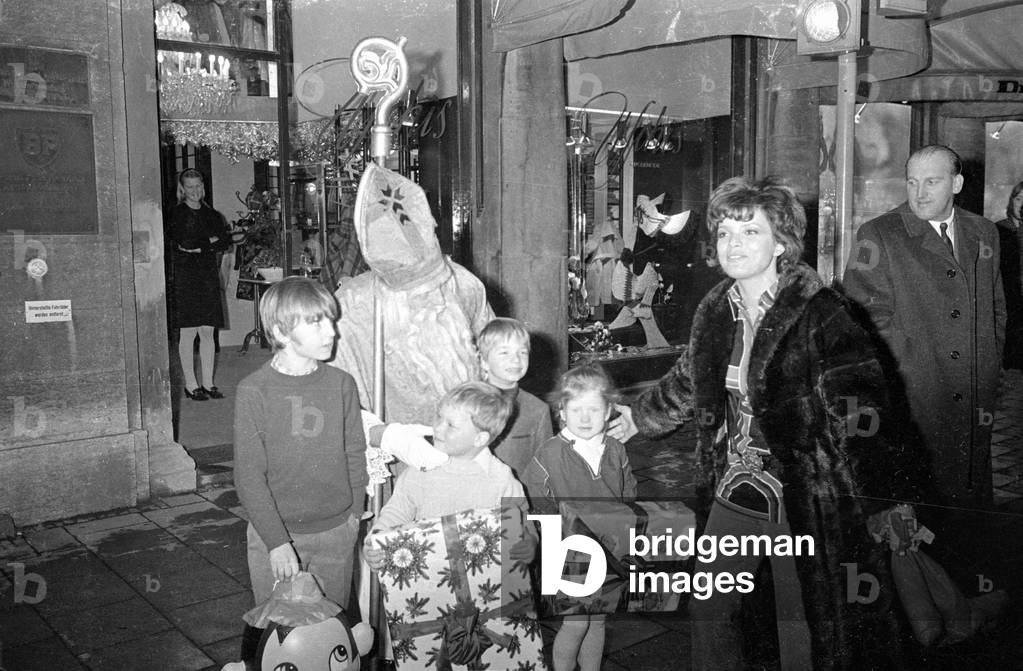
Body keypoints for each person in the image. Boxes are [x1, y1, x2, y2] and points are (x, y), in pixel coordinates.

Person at [609, 176, 921, 670]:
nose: (733, 244)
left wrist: (884, 501)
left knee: (804, 623)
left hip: (806, 494)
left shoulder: (823, 313)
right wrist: (640, 417)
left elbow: (869, 415)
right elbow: (690, 375)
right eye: (726, 232)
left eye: (750, 232)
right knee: (712, 609)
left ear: (781, 243)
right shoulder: (717, 309)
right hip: (737, 486)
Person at [843, 145, 1006, 516]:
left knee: (968, 509)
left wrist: (988, 362)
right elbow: (864, 318)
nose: (920, 193)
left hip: (971, 392)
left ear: (957, 183)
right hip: (915, 394)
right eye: (913, 182)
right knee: (919, 512)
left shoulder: (984, 233)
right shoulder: (879, 233)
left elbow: (996, 308)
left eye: (932, 181)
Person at [233, 277, 368, 670]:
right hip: (275, 537)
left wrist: (354, 515)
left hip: (334, 532)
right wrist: (276, 542)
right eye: (316, 323)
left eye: (330, 320)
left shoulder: (341, 384)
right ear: (280, 331)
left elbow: (353, 451)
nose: (332, 331)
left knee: (332, 640)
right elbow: (248, 475)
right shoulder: (254, 390)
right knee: (280, 641)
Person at [523, 363, 637, 671]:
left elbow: (628, 493)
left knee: (597, 621)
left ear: (610, 410)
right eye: (576, 410)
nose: (585, 418)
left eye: (594, 410)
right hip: (572, 550)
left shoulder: (615, 448)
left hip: (609, 549)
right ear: (562, 410)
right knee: (575, 623)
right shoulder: (550, 454)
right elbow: (535, 502)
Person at [363, 380, 535, 558]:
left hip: (483, 580)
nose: (438, 428)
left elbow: (521, 523)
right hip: (427, 575)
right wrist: (377, 538)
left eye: (450, 425)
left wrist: (528, 543)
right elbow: (397, 510)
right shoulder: (422, 468)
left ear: (479, 439)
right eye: (439, 416)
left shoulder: (501, 479)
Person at [167, 168, 230, 401]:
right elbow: (185, 243)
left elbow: (225, 241)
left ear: (203, 187)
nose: (194, 191)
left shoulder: (212, 215)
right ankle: (190, 385)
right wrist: (209, 242)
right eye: (189, 187)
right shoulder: (177, 214)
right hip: (186, 276)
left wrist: (202, 245)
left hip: (207, 276)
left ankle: (208, 383)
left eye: (198, 186)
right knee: (188, 331)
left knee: (207, 331)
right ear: (182, 189)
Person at [478, 317, 553, 478]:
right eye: (505, 352)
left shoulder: (538, 410)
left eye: (522, 352)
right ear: (484, 361)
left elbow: (545, 469)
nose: (516, 359)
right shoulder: (466, 402)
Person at [995, 180, 1023, 370]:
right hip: (1007, 302)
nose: (1022, 205)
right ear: (1011, 201)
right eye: (1019, 198)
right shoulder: (997, 230)